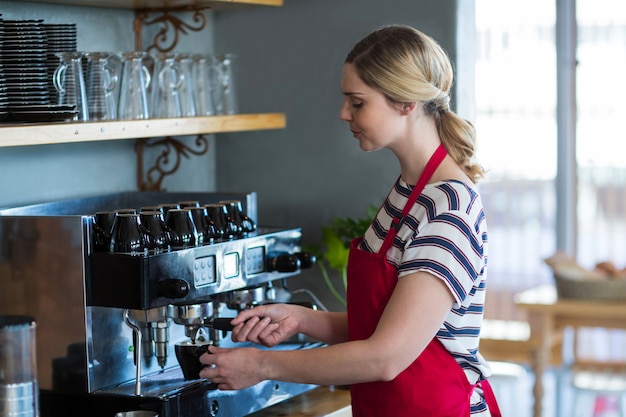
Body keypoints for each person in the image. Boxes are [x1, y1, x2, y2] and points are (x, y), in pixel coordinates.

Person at [200, 25, 501, 417]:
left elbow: (386, 356)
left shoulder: (448, 209)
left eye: (357, 102)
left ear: (406, 102)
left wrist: (261, 365)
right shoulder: (409, 191)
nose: (344, 114)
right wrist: (302, 319)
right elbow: (387, 325)